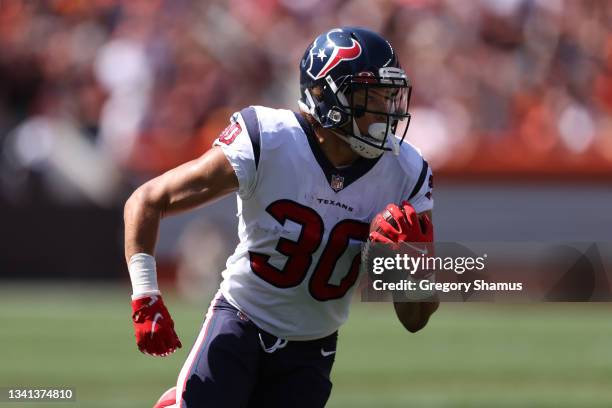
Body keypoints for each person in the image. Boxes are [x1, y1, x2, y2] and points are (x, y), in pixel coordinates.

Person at [124, 27, 438, 408]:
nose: (385, 112)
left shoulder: (406, 170)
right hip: (240, 322)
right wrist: (146, 296)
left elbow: (416, 318)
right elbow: (147, 199)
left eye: (390, 97)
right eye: (370, 97)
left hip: (313, 349)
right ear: (327, 95)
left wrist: (410, 268)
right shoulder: (269, 139)